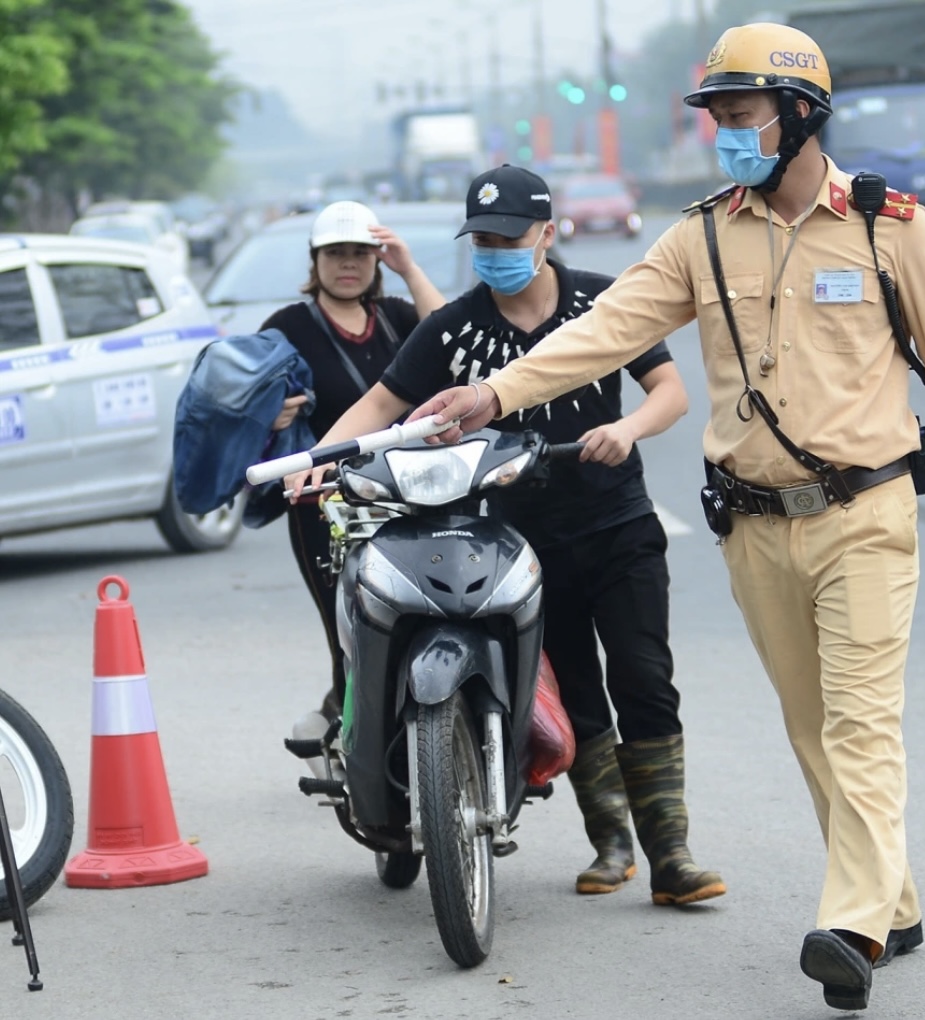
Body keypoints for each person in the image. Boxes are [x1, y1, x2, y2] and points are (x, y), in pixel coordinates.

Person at [412, 23, 925, 1013]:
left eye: (741, 118)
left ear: (799, 114)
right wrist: (494, 396)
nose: (728, 138)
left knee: (862, 720)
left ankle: (852, 923)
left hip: (866, 513)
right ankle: (895, 900)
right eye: (720, 121)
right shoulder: (700, 235)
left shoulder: (890, 227)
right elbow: (605, 333)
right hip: (752, 526)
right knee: (810, 725)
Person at [287, 165, 726, 907]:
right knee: (577, 692)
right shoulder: (453, 327)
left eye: (508, 237)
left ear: (547, 235)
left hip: (617, 524)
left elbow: (670, 391)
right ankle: (610, 841)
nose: (495, 251)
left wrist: (625, 428)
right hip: (515, 543)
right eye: (482, 239)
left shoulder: (600, 302)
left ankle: (671, 853)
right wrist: (315, 462)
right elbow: (380, 404)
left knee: (644, 680)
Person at [264, 200, 447, 736]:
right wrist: (271, 418)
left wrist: (409, 268)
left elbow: (448, 337)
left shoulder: (396, 315)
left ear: (376, 260)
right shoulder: (287, 325)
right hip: (325, 500)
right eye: (335, 254)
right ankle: (351, 733)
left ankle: (419, 722)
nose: (348, 264)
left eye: (360, 254)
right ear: (314, 262)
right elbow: (248, 401)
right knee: (347, 625)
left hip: (408, 492)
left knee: (420, 611)